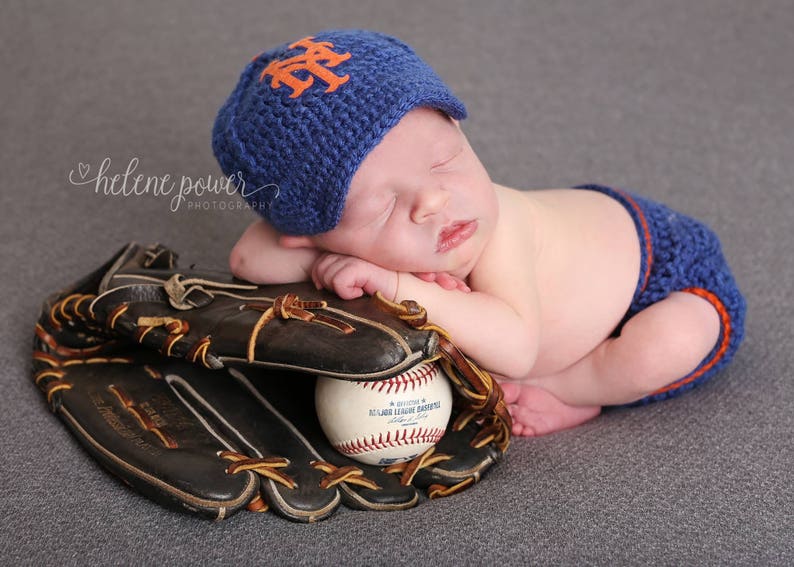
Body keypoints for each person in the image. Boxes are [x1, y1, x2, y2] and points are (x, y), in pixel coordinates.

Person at [213, 30, 746, 436]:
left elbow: (514, 347)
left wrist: (392, 283)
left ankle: (572, 388)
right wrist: (323, 256)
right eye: (382, 205)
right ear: (313, 232)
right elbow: (249, 259)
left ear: (459, 129)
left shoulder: (498, 228)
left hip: (661, 272)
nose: (434, 201)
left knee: (666, 345)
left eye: (445, 161)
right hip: (593, 254)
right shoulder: (345, 236)